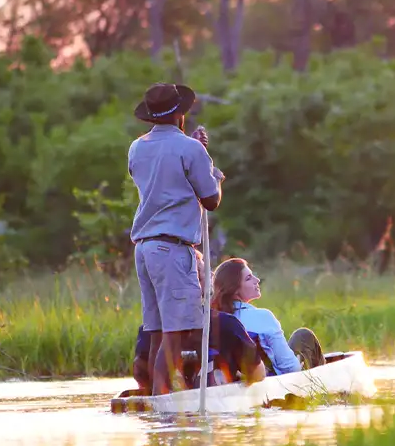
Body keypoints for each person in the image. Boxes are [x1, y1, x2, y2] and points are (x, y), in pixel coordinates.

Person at [128, 82, 225, 396]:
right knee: (175, 335)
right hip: (171, 248)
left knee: (157, 332)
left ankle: (157, 400)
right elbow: (211, 200)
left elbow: (164, 175)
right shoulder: (191, 149)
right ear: (179, 113)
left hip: (144, 248)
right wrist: (211, 169)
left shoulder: (136, 147)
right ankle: (164, 404)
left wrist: (194, 149)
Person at [133, 250, 266, 391]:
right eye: (205, 272)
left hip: (166, 397)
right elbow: (258, 374)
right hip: (216, 400)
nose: (212, 275)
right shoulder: (227, 324)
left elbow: (140, 375)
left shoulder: (148, 330)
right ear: (193, 283)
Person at [212, 258, 326, 375]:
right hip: (271, 381)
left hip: (234, 378)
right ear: (234, 289)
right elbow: (291, 368)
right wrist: (297, 362)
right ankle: (323, 380)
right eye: (248, 278)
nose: (257, 280)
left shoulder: (214, 320)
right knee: (303, 335)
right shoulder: (262, 317)